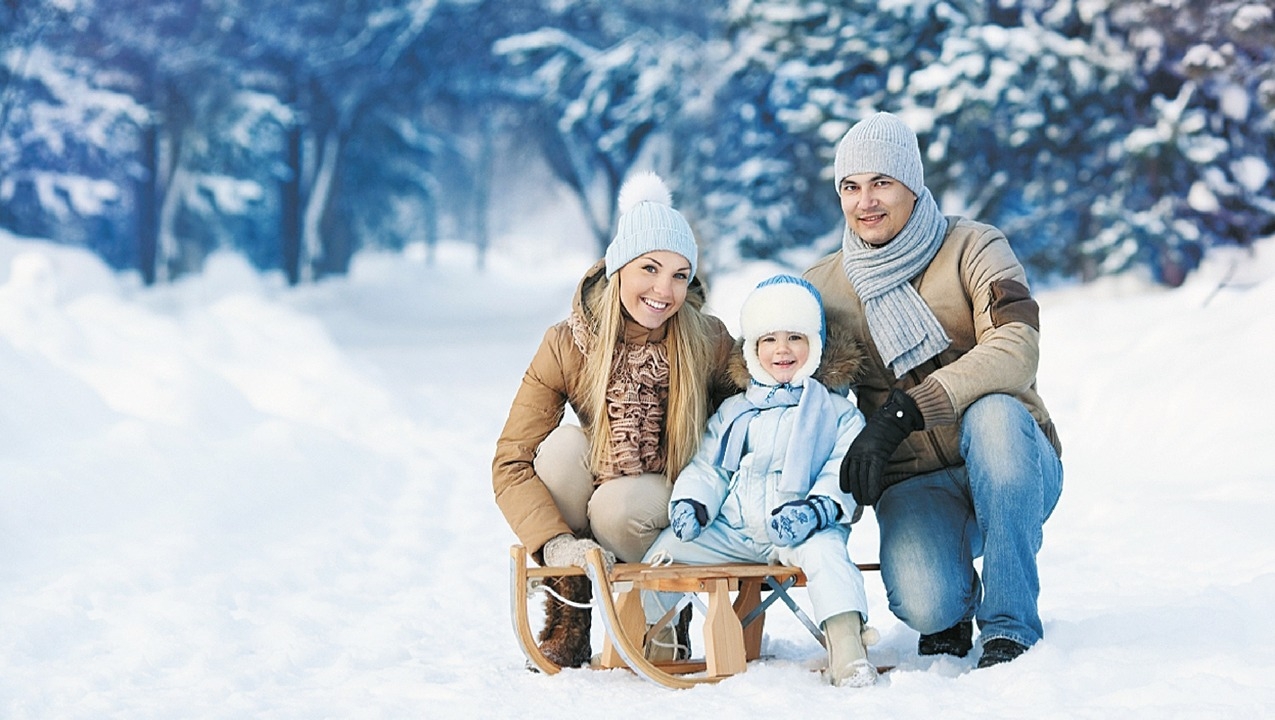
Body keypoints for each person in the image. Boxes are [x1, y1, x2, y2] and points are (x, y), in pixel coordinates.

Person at [803, 112, 1064, 668]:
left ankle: (1009, 626)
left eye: (882, 183)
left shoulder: (974, 247)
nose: (865, 201)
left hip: (1014, 460)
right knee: (926, 601)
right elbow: (793, 386)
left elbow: (1017, 346)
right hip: (916, 481)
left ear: (913, 184)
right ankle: (953, 604)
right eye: (851, 186)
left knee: (994, 414)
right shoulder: (822, 286)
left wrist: (906, 411)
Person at [493, 171, 736, 669]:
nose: (663, 291)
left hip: (667, 499)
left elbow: (754, 416)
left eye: (679, 275)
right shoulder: (567, 343)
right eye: (650, 268)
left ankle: (664, 614)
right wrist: (557, 545)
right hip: (596, 481)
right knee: (559, 452)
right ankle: (570, 615)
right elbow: (510, 461)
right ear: (619, 267)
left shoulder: (706, 339)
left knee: (615, 508)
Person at [641, 275, 879, 687]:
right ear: (752, 350)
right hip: (733, 527)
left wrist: (816, 509)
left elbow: (842, 468)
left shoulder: (836, 412)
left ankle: (847, 649)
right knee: (665, 552)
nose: (781, 350)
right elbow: (709, 466)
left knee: (829, 560)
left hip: (800, 528)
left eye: (794, 338)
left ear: (816, 345)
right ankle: (658, 637)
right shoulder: (736, 410)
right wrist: (693, 503)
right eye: (768, 339)